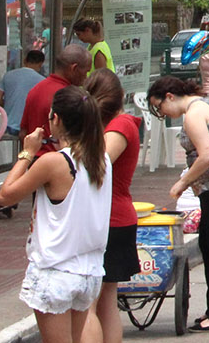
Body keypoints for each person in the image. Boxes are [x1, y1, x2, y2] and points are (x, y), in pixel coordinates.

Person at [0, 85, 112, 343]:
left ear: (56, 119)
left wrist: (27, 153)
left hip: (56, 270)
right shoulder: (102, 159)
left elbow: (5, 195)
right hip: (88, 270)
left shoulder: (54, 162)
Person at [147, 76, 209, 332]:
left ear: (170, 96)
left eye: (160, 107)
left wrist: (182, 183)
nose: (162, 113)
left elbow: (207, 156)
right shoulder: (205, 104)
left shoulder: (193, 114)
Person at [81, 71, 140, 343]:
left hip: (109, 220)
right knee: (104, 299)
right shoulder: (109, 126)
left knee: (89, 303)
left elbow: (97, 166)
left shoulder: (121, 125)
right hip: (109, 218)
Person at [21, 45, 91, 157]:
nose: (86, 76)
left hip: (35, 159)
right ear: (74, 68)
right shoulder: (70, 96)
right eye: (86, 71)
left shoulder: (36, 89)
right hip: (60, 162)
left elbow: (23, 132)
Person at [0, 49, 46, 137]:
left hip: (8, 125)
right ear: (40, 64)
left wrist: (9, 105)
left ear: (25, 60)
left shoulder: (8, 75)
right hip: (29, 127)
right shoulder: (43, 81)